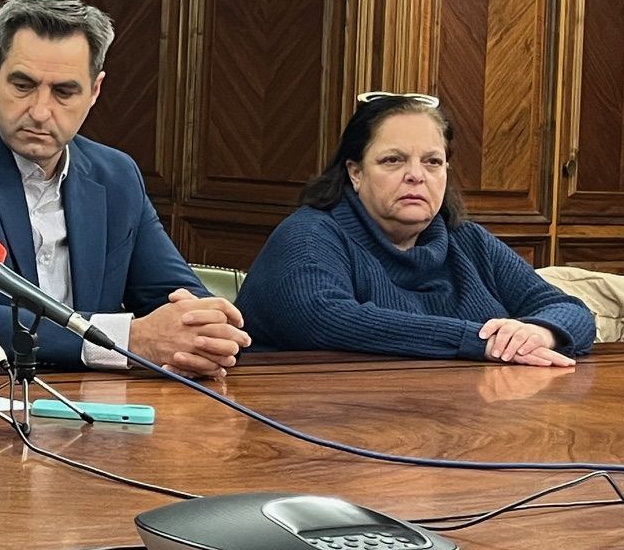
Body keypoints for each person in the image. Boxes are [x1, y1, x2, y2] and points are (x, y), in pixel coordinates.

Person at [0, 0, 248, 379]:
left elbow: (175, 291)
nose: (39, 111)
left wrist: (205, 330)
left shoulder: (115, 174)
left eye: (63, 92)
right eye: (22, 85)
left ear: (95, 91)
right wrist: (126, 339)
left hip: (99, 404)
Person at [237, 92, 594, 362]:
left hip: (457, 424)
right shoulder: (310, 235)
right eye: (393, 160)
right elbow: (322, 318)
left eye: (432, 162)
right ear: (355, 173)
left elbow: (572, 312)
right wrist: (478, 341)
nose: (416, 175)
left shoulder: (468, 241)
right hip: (322, 434)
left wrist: (540, 333)